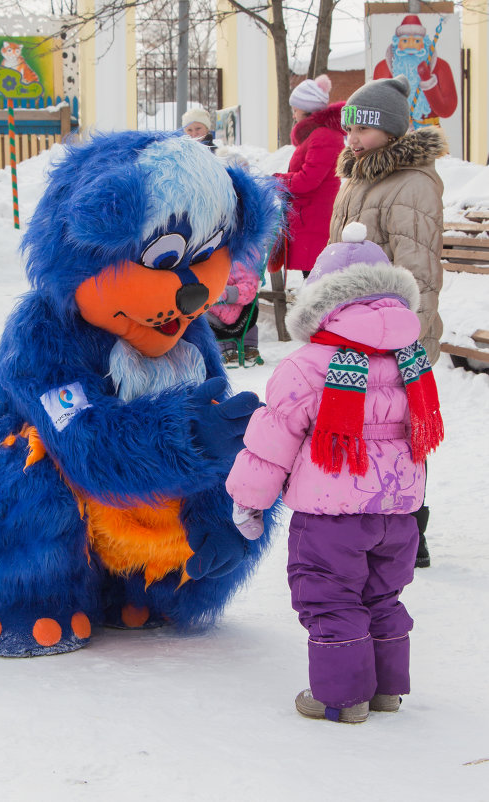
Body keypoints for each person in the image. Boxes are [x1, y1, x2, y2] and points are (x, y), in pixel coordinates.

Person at [226, 222, 444, 723]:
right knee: (382, 595)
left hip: (331, 518)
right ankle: (386, 689)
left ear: (322, 298)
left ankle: (342, 699)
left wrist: (249, 500)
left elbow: (271, 442)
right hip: (399, 514)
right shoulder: (412, 361)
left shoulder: (309, 366)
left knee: (330, 598)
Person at [330, 74, 447, 568]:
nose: (351, 138)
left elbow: (417, 270)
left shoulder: (411, 184)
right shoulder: (361, 174)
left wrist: (406, 340)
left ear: (391, 130)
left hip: (395, 335)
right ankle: (369, 518)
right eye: (348, 128)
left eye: (362, 129)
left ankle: (409, 528)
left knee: (399, 431)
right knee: (364, 426)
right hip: (356, 329)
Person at [268, 75, 345, 279]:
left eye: (295, 110)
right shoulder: (320, 135)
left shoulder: (323, 136)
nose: (294, 116)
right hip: (310, 217)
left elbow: (309, 179)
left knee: (316, 278)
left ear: (305, 110)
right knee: (313, 277)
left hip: (314, 219)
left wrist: (279, 181)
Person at [373, 14, 457, 129]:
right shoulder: (383, 67)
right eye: (405, 40)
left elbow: (447, 110)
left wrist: (428, 82)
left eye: (417, 41)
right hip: (398, 133)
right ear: (397, 43)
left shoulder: (441, 66)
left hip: (430, 135)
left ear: (424, 43)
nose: (411, 45)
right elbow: (377, 108)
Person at [207, 260, 261, 365]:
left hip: (240, 312)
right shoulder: (212, 259)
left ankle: (247, 345)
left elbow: (249, 289)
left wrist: (226, 293)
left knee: (252, 306)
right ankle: (226, 347)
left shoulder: (242, 262)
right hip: (213, 310)